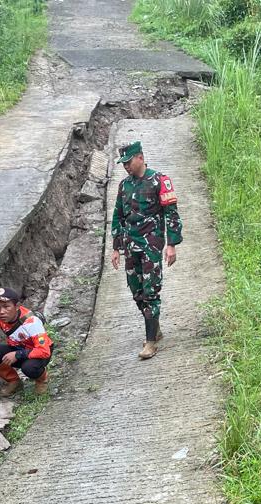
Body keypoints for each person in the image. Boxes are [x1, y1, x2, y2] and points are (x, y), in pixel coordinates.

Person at [109, 140, 183, 360]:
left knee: (150, 292)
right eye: (123, 164)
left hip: (151, 246)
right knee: (137, 292)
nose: (126, 167)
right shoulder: (124, 186)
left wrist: (171, 245)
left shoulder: (160, 180)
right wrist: (116, 248)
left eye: (128, 162)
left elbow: (171, 214)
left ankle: (150, 342)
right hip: (130, 247)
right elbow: (118, 216)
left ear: (140, 157)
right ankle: (155, 328)